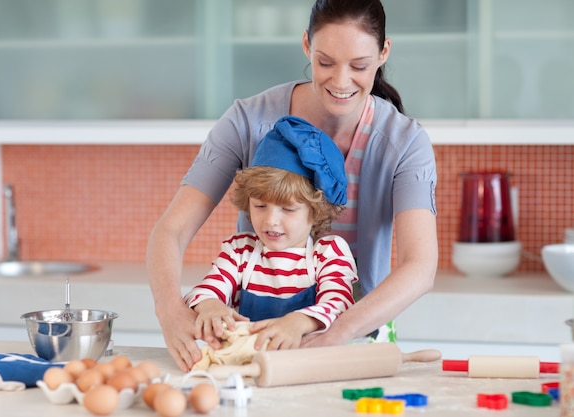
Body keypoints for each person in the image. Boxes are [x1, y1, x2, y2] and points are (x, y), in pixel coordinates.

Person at [146, 0, 438, 372]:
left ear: (384, 53)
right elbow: (171, 230)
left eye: (359, 66)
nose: (341, 81)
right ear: (306, 46)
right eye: (325, 62)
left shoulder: (404, 142)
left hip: (355, 334)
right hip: (256, 340)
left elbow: (420, 267)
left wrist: (332, 334)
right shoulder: (247, 121)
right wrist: (172, 312)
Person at [183, 115, 358, 352]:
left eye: (288, 209)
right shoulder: (240, 251)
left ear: (317, 211)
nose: (271, 221)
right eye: (260, 206)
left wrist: (298, 322)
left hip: (308, 365)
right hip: (252, 366)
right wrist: (210, 305)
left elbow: (338, 304)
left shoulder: (327, 253)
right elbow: (207, 289)